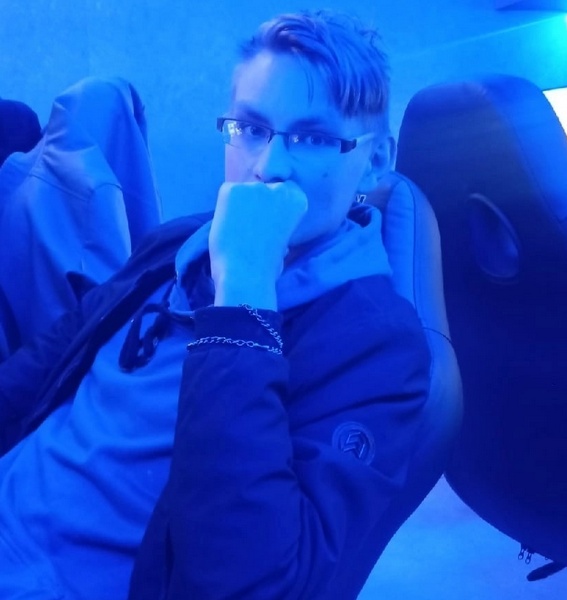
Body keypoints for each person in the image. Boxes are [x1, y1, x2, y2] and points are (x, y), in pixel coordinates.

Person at [0, 10, 431, 600]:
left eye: (311, 138)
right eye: (250, 129)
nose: (269, 167)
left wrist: (245, 289)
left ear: (376, 160)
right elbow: (50, 359)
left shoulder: (380, 347)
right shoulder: (180, 241)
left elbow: (245, 581)